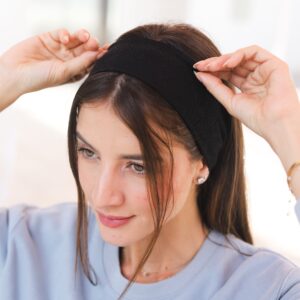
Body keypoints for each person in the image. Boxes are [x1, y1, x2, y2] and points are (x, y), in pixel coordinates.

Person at [0, 23, 299, 300]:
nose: (103, 196)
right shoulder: (23, 247)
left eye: (138, 166)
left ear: (202, 162)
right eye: (88, 153)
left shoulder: (267, 289)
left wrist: (288, 129)